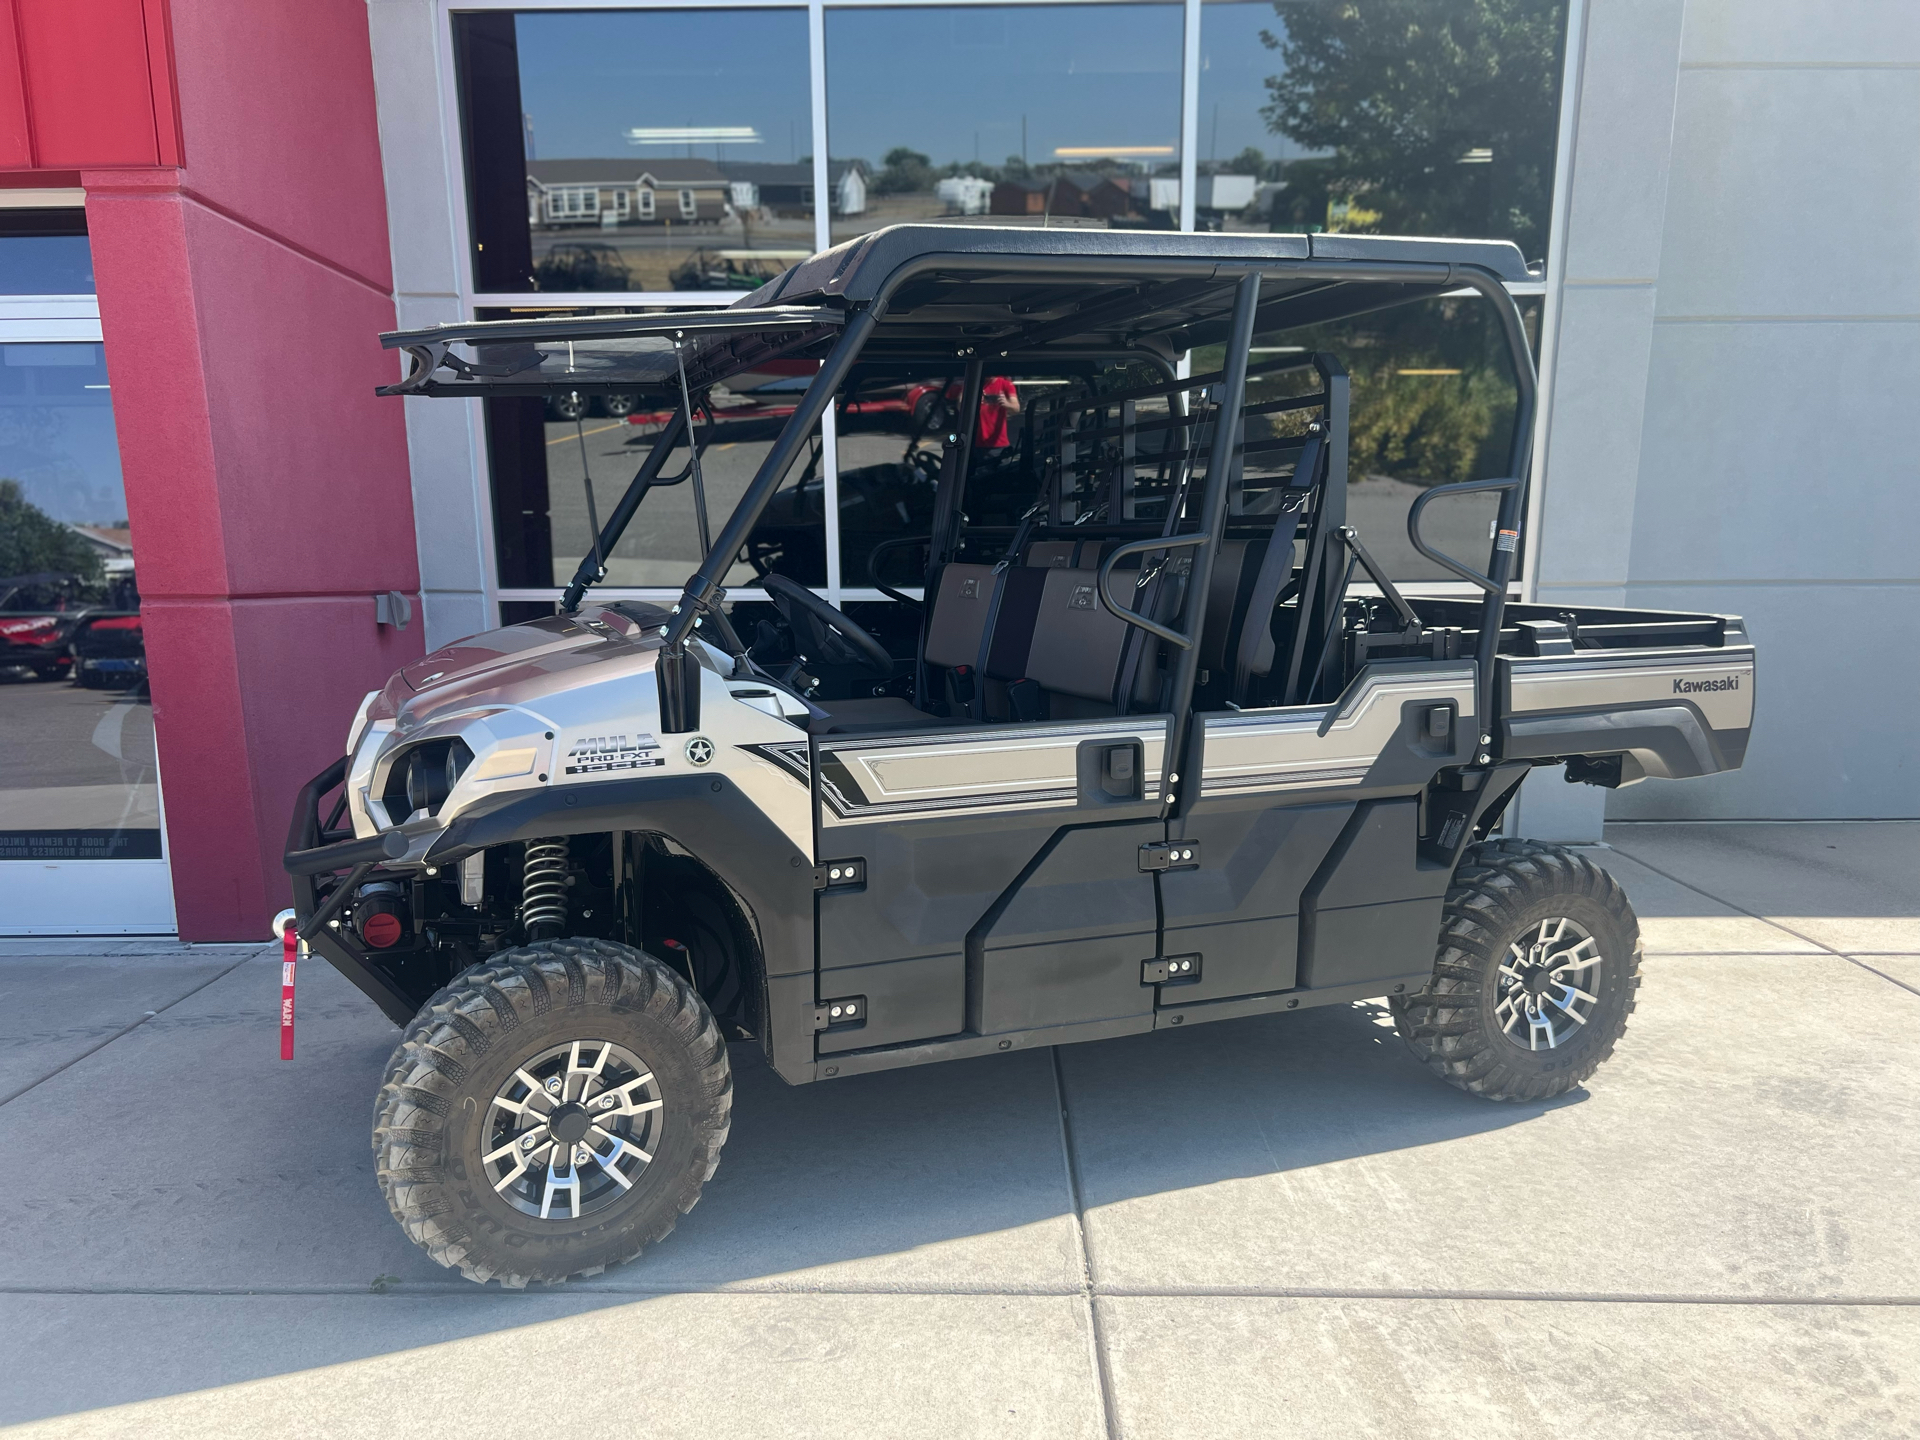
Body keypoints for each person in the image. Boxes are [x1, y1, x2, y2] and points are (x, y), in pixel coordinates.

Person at [975, 374, 1021, 450]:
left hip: (999, 442)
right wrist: (974, 401)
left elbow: (1016, 409)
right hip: (976, 441)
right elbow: (960, 406)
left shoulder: (1005, 383)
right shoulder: (974, 383)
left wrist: (1006, 404)